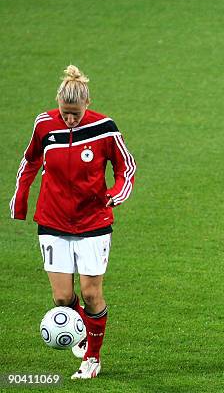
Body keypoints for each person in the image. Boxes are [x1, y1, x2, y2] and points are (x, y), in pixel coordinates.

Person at [10, 65, 136, 379]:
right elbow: (30, 161)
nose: (70, 119)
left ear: (87, 104)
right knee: (62, 298)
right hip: (52, 220)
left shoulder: (105, 128)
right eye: (66, 113)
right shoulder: (44, 124)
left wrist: (117, 193)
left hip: (93, 220)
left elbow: (126, 168)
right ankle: (80, 328)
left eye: (75, 114)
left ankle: (92, 358)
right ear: (58, 105)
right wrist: (20, 200)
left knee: (91, 294)